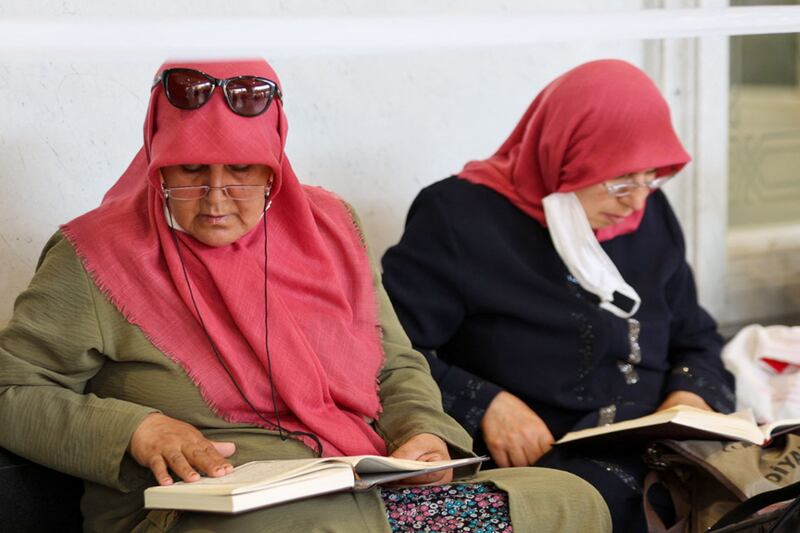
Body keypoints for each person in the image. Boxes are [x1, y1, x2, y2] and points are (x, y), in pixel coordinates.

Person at [0, 59, 611, 533]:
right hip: (206, 512)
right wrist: (137, 429)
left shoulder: (330, 231)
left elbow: (395, 363)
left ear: (274, 167)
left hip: (364, 489)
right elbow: (11, 390)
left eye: (241, 171)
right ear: (158, 162)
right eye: (189, 172)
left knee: (569, 500)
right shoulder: (95, 255)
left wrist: (422, 432)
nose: (215, 198)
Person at [381, 59, 736, 532]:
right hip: (549, 458)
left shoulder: (648, 215)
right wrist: (486, 404)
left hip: (662, 447)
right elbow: (387, 352)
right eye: (620, 181)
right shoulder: (460, 218)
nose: (637, 201)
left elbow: (696, 334)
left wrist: (691, 398)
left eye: (652, 178)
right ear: (565, 153)